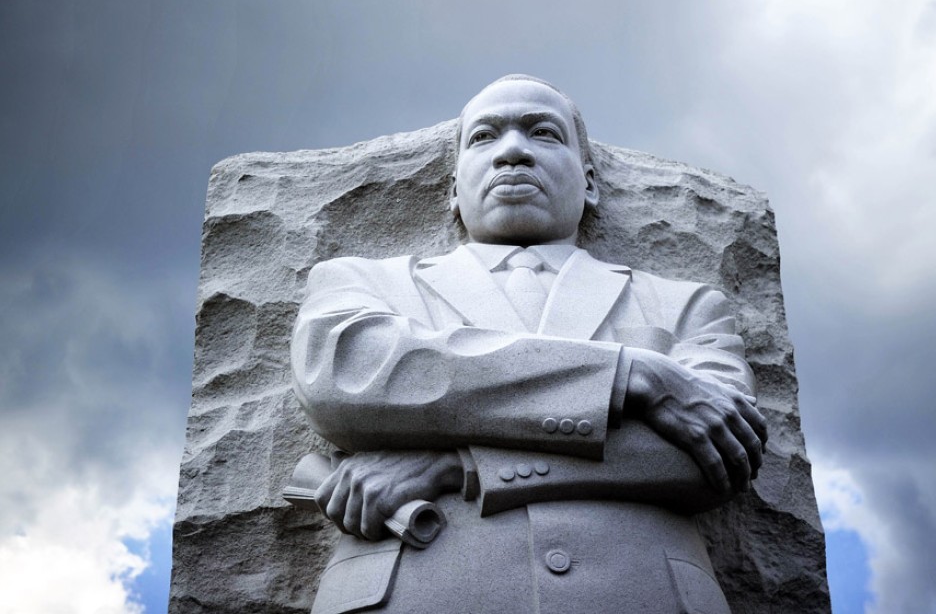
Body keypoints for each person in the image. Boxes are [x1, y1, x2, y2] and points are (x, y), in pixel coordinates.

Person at [291, 75, 767, 614]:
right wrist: (631, 378)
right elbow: (349, 377)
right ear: (452, 189)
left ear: (589, 182)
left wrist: (458, 465)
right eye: (483, 137)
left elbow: (716, 455)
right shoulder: (364, 283)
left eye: (543, 133)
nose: (513, 151)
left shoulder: (683, 305)